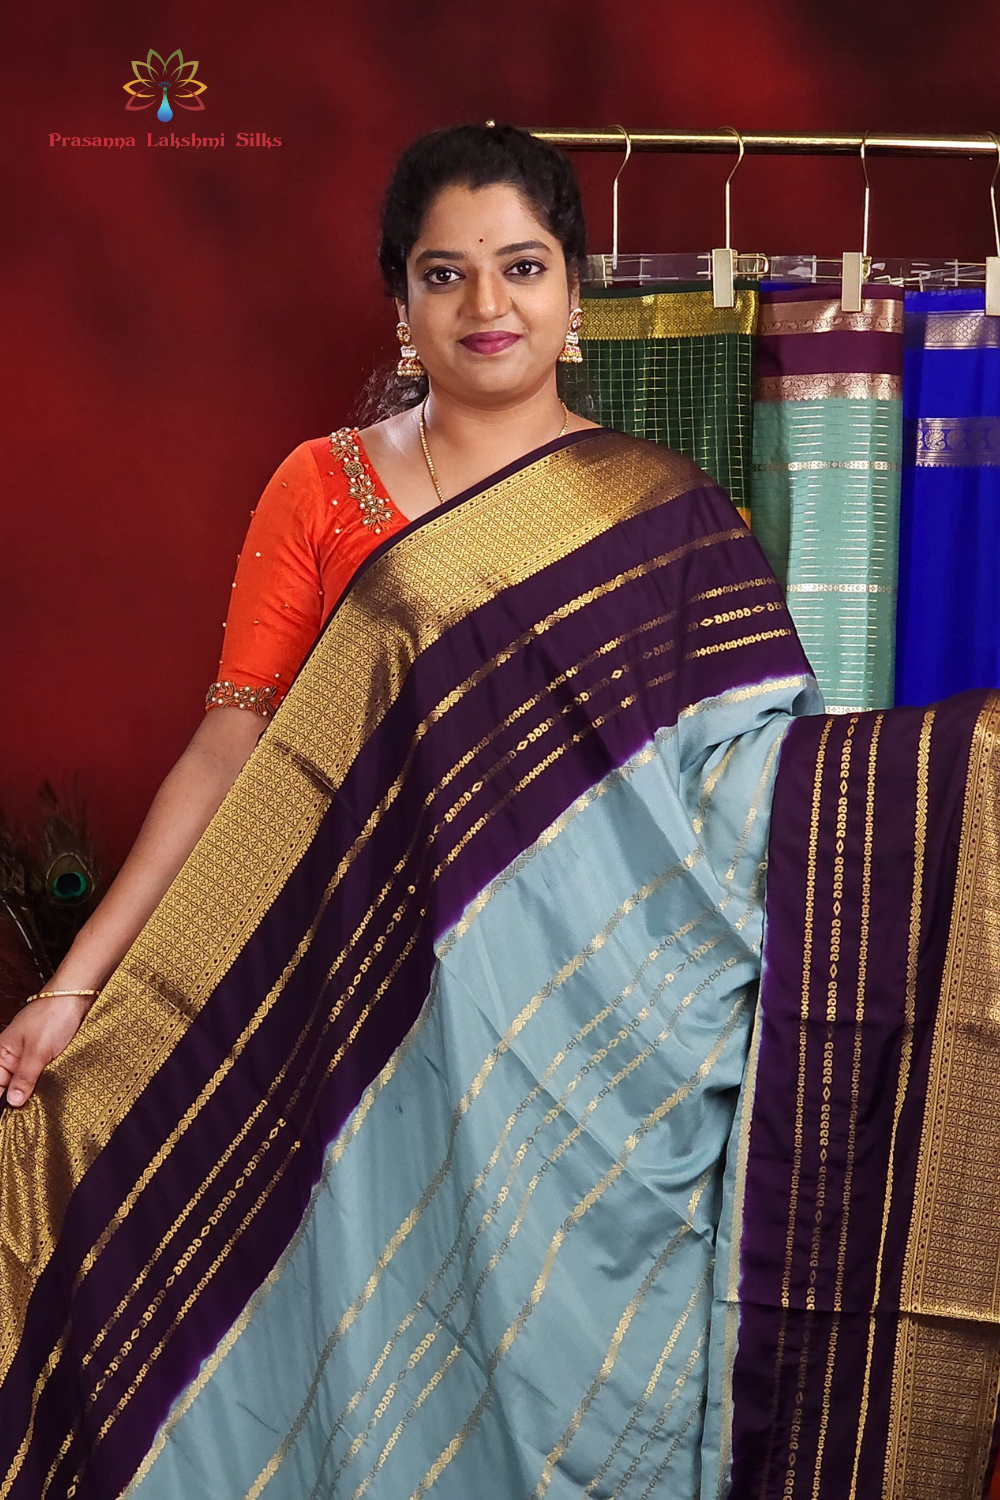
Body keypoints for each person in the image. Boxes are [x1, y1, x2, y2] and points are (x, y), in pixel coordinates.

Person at [1, 123, 999, 1500]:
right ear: (400, 301)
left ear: (575, 291)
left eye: (522, 267)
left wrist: (970, 770)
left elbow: (752, 784)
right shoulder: (325, 486)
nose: (488, 304)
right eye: (446, 273)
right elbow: (234, 747)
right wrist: (78, 987)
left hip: (592, 1047)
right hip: (354, 1028)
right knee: (343, 1364)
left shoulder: (667, 517)